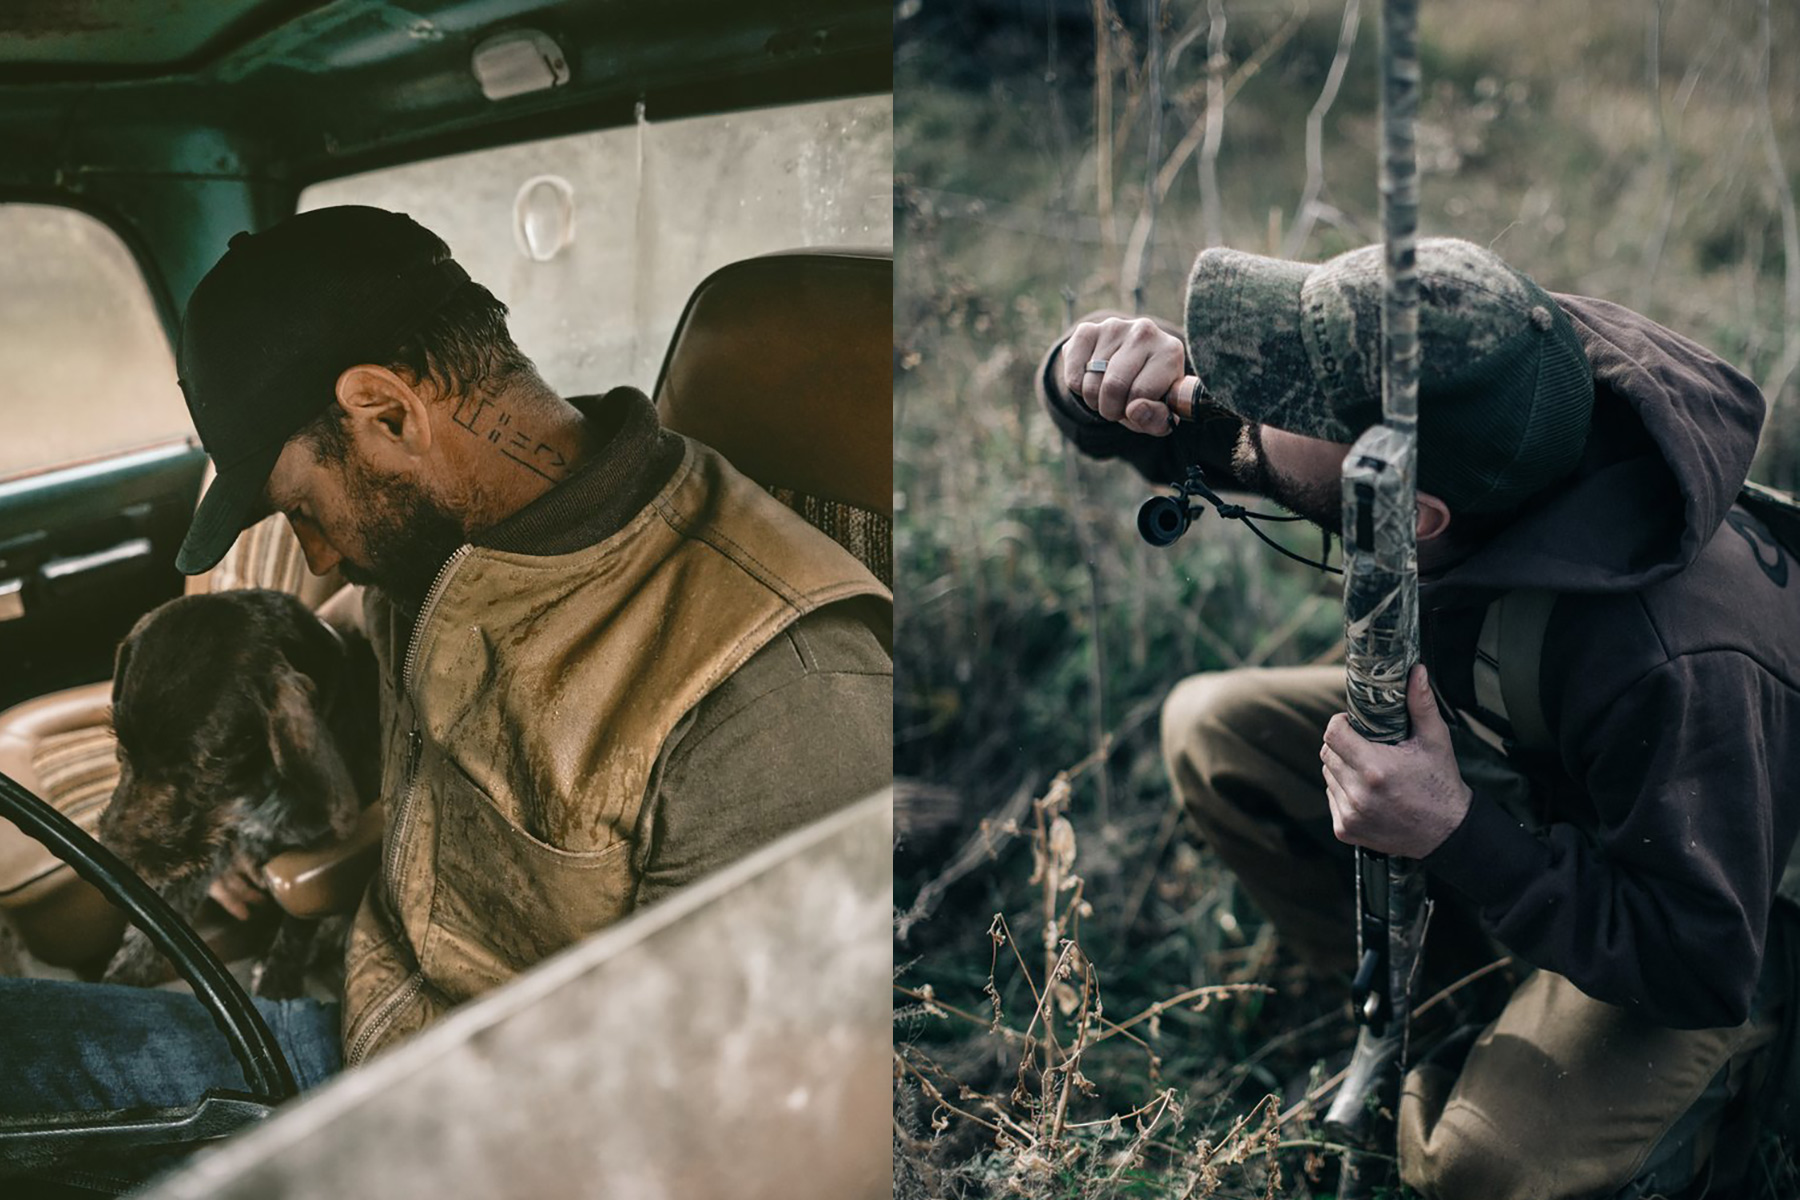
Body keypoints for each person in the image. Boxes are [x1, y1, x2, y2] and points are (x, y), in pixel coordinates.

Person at [0, 206, 891, 1113]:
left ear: (387, 411)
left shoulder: (774, 692)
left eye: (303, 508)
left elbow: (729, 1121)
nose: (315, 559)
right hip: (363, 1035)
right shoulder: (439, 558)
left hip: (493, 1132)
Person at [1038, 237, 1800, 1199]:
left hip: (1715, 895)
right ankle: (1439, 1015)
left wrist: (1457, 831)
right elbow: (1228, 439)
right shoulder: (1485, 389)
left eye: (1292, 400)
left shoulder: (1671, 662)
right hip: (1543, 761)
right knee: (1215, 732)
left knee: (1479, 1167)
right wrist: (1090, 377)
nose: (1247, 403)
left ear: (1414, 516)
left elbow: (1698, 956)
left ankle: (1749, 1055)